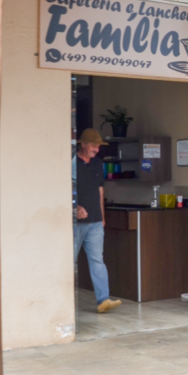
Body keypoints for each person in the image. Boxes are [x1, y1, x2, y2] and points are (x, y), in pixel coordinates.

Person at [73, 128, 121, 313]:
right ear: (83, 144)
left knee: (97, 261)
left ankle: (103, 301)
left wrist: (102, 216)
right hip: (76, 223)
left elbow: (100, 191)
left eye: (98, 146)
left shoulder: (97, 163)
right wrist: (74, 208)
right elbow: (62, 187)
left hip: (94, 222)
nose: (96, 149)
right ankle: (63, 302)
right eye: (93, 145)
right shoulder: (71, 162)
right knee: (69, 261)